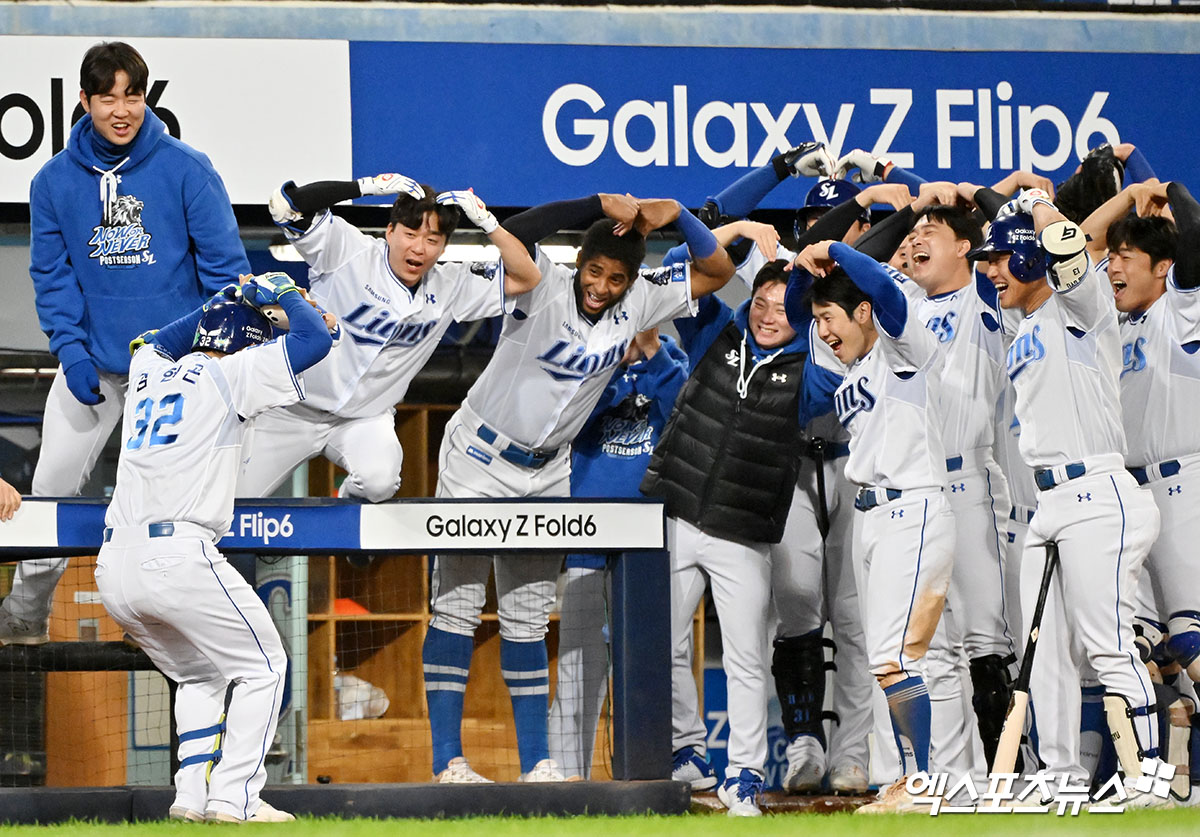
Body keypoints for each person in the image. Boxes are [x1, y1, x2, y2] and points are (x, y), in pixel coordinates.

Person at [421, 194, 734, 785]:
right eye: (595, 271)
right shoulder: (543, 285)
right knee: (458, 607)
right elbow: (514, 228)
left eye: (616, 277)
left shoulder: (640, 298)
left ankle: (539, 763)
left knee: (528, 618)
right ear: (580, 263)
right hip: (479, 457)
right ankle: (447, 762)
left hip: (547, 471)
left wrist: (681, 218)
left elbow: (718, 272)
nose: (603, 286)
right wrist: (592, 202)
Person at [0, 41, 248, 644]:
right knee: (50, 495)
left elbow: (226, 272)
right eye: (107, 96)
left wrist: (208, 362)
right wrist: (72, 351)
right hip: (94, 368)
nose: (121, 109)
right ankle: (24, 614)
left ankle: (169, 630)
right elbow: (52, 275)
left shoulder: (188, 168)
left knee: (166, 508)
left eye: (132, 95)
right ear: (83, 102)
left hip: (172, 373)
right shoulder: (53, 182)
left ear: (146, 98)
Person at [95, 272, 332, 822]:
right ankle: (235, 796)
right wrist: (281, 293)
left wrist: (232, 299)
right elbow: (314, 340)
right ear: (245, 342)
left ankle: (191, 797)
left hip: (115, 565)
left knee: (200, 674)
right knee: (266, 667)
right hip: (177, 555)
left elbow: (170, 337)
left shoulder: (147, 366)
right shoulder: (232, 372)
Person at [968, 190, 1168, 807]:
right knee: (1045, 655)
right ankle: (1058, 781)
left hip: (1098, 492)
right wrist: (1005, 213)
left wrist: (1040, 210)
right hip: (1051, 502)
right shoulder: (1023, 322)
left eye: (1001, 258)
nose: (990, 269)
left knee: (1108, 643)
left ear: (1031, 260)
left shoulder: (1080, 307)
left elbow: (1066, 247)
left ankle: (1151, 781)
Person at [641, 257, 820, 816]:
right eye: (760, 303)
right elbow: (677, 263)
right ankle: (688, 751)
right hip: (679, 515)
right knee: (664, 644)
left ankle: (744, 774)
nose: (768, 316)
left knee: (746, 658)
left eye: (782, 308)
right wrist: (739, 234)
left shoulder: (811, 369)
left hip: (743, 533)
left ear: (802, 315)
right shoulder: (716, 331)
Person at [239, 174, 540, 501]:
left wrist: (488, 222)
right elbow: (286, 206)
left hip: (364, 419)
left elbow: (527, 277)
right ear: (390, 231)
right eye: (410, 234)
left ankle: (349, 514)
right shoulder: (350, 250)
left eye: (432, 240)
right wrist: (364, 188)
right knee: (230, 502)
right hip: (291, 406)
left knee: (379, 482)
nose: (419, 248)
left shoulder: (451, 283)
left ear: (443, 246)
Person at [803, 240, 957, 814]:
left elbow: (888, 291)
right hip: (873, 516)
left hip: (912, 507)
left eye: (829, 318)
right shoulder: (851, 370)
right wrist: (809, 277)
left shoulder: (902, 348)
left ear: (860, 312)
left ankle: (922, 784)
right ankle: (912, 780)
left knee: (897, 657)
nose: (822, 331)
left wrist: (838, 248)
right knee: (886, 658)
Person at [1080, 177, 1200, 800]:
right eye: (1116, 255)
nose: (1116, 262)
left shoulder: (1182, 307)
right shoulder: (1106, 312)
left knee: (1192, 644)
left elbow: (1198, 243)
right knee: (1144, 650)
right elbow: (1077, 244)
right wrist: (1128, 203)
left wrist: (1166, 188)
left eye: (1131, 257)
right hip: (1131, 496)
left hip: (1185, 486)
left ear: (1164, 268)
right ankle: (1166, 782)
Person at [547, 327, 689, 780]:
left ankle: (648, 779)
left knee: (649, 670)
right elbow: (570, 421)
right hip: (587, 542)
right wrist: (610, 363)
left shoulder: (672, 362)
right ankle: (569, 783)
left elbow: (682, 418)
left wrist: (649, 353)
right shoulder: (589, 364)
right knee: (576, 675)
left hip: (649, 547)